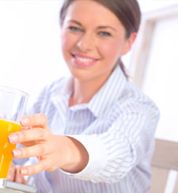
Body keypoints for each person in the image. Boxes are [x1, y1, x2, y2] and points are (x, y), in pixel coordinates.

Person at [8, 0, 160, 192]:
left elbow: (118, 153)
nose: (84, 44)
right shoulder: (49, 95)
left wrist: (67, 149)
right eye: (75, 28)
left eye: (104, 33)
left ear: (129, 42)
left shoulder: (139, 109)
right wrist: (11, 171)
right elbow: (13, 156)